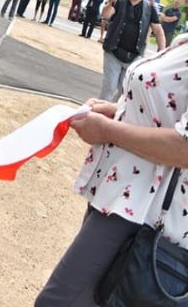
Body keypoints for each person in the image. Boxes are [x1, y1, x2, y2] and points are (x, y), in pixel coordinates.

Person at [35, 31, 188, 306]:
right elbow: (166, 107)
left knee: (58, 301)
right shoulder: (184, 40)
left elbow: (184, 148)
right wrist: (118, 109)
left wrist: (107, 130)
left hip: (145, 211)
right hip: (122, 193)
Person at [99, 0, 166, 101]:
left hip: (134, 57)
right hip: (113, 52)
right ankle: (97, 115)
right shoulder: (119, 2)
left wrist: (162, 52)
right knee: (110, 87)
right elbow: (105, 15)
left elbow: (158, 31)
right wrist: (109, 4)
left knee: (126, 91)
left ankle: (112, 115)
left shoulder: (149, 9)